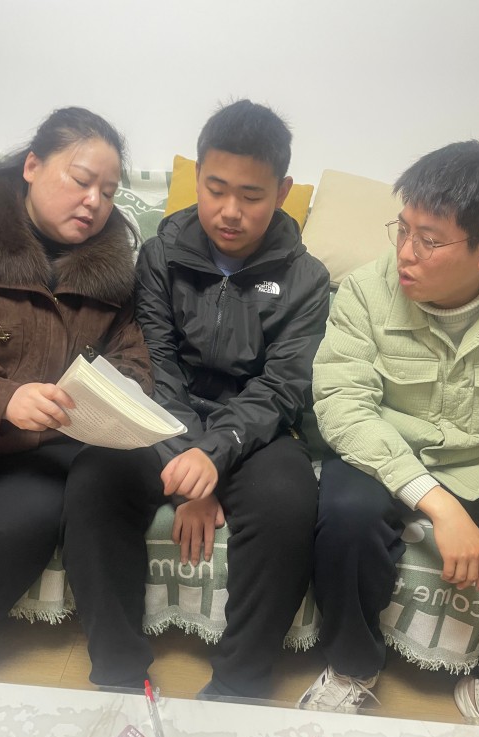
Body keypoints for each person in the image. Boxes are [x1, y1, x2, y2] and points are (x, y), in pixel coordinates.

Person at [62, 98, 330, 697]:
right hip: (164, 415)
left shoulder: (306, 278)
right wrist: (188, 466)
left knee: (288, 500)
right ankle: (118, 672)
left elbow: (283, 384)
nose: (230, 211)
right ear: (198, 177)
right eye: (215, 189)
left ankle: (240, 683)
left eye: (252, 195)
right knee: (94, 477)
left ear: (283, 192)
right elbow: (156, 362)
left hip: (254, 430)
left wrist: (215, 456)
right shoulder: (160, 255)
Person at [299, 140, 479, 723]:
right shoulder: (364, 291)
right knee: (346, 512)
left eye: (429, 240)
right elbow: (343, 406)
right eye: (402, 229)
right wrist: (440, 505)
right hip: (386, 452)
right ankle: (352, 665)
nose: (405, 252)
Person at [0, 107, 152, 678]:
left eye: (108, 192)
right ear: (32, 166)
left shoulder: (113, 269)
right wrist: (0, 397)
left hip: (41, 449)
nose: (94, 202)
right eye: (80, 181)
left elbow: (132, 360)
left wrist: (104, 400)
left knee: (30, 518)